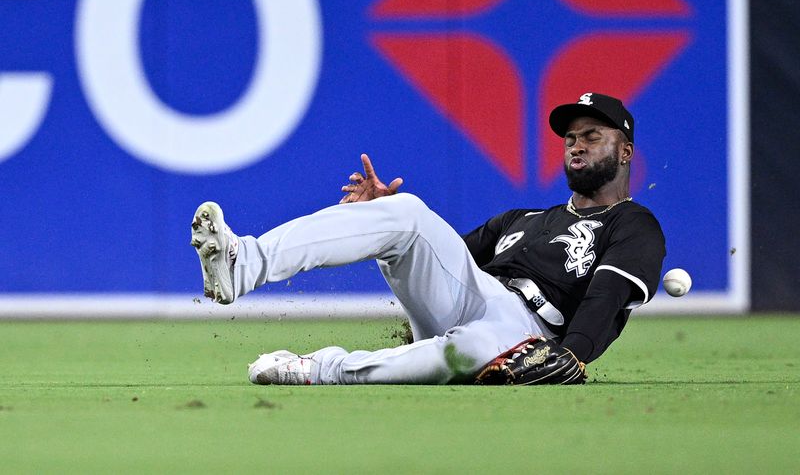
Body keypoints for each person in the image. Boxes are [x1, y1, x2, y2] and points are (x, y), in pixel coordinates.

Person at [190, 92, 666, 385]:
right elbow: (440, 261)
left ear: (625, 151)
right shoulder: (522, 218)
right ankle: (243, 263)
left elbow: (607, 295)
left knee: (476, 349)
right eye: (570, 139)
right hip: (474, 301)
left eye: (591, 136)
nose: (576, 144)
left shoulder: (633, 223)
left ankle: (317, 368)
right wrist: (385, 215)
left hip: (530, 339)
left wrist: (573, 356)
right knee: (409, 212)